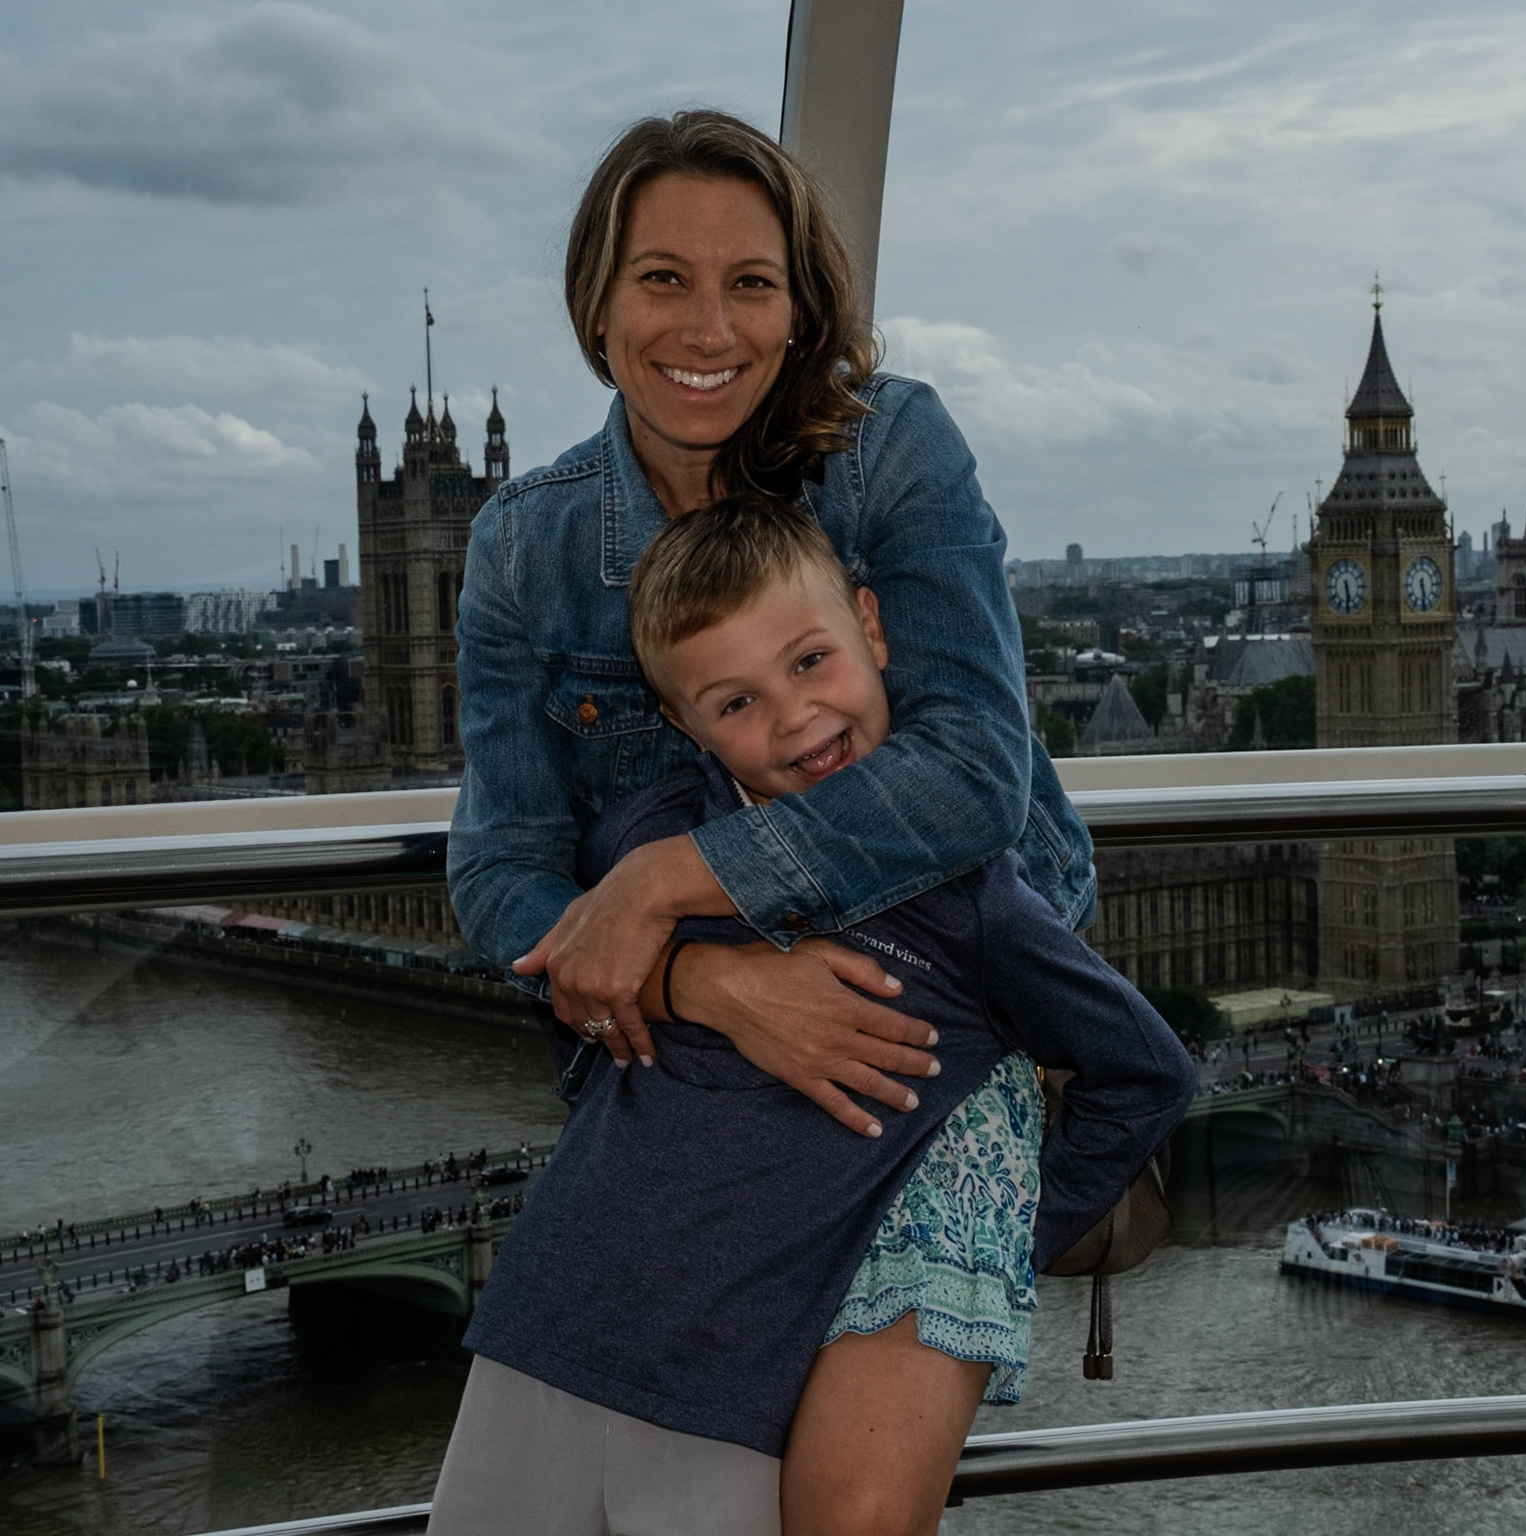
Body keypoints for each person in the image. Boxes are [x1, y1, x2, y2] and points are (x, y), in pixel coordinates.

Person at [429, 498, 1195, 1534]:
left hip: (733, 1369)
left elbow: (1144, 1070)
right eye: (734, 702)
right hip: (550, 1311)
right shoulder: (644, 842)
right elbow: (567, 977)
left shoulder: (962, 887)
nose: (792, 718)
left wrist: (1022, 1225)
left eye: (809, 663)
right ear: (684, 725)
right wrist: (689, 983)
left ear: (874, 630)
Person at [447, 108, 1092, 1141]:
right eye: (663, 278)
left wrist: (664, 879)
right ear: (597, 306)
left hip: (958, 1010)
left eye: (751, 282)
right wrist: (709, 983)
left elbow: (974, 772)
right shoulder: (526, 547)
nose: (710, 331)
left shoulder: (891, 450)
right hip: (696, 1054)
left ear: (798, 308)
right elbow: (500, 869)